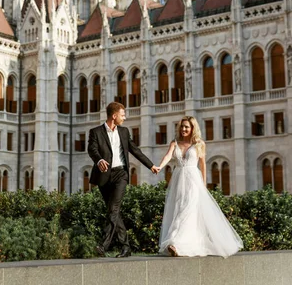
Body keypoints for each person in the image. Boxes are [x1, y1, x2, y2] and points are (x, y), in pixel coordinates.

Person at [156, 116, 243, 258]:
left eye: (187, 127)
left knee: (187, 211)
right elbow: (167, 156)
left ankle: (174, 243)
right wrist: (159, 167)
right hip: (178, 181)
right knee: (178, 210)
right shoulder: (175, 143)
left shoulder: (199, 144)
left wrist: (203, 185)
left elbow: (202, 165)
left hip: (192, 181)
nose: (183, 129)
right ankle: (183, 244)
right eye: (182, 126)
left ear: (192, 129)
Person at [87, 102, 160, 258]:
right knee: (114, 211)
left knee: (113, 208)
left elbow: (135, 150)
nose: (125, 118)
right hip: (104, 175)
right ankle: (126, 247)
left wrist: (151, 166)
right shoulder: (96, 132)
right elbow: (91, 149)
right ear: (114, 116)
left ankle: (103, 245)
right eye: (122, 115)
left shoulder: (124, 132)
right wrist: (99, 160)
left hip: (121, 174)